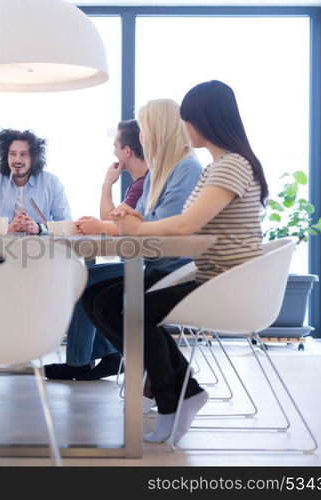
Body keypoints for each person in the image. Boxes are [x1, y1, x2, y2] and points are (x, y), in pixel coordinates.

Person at [85, 80, 267, 444]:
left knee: (131, 308)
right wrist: (137, 226)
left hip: (224, 284)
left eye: (188, 120)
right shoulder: (222, 166)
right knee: (117, 304)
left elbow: (185, 225)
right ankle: (181, 392)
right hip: (211, 276)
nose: (184, 128)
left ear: (202, 121)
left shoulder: (229, 167)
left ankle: (174, 398)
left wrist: (136, 227)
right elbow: (184, 227)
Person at [46, 103, 203, 381]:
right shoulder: (158, 174)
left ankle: (158, 371)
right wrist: (123, 220)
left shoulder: (187, 169)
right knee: (90, 286)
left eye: (145, 131)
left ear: (157, 132)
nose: (142, 138)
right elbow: (136, 218)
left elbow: (161, 225)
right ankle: (147, 367)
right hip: (155, 265)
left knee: (98, 293)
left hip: (176, 270)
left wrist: (118, 223)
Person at [0, 129, 71, 233]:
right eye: (12, 154)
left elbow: (67, 225)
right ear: (6, 156)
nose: (17, 160)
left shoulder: (52, 182)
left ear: (33, 157)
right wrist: (8, 229)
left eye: (24, 154)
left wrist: (38, 228)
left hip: (42, 248)